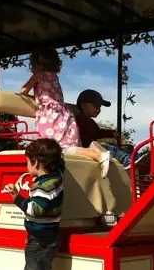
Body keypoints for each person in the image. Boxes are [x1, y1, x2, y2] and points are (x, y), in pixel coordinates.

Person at [5, 138, 80, 270]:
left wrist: (16, 197)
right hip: (41, 238)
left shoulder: (45, 185)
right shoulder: (56, 176)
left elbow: (35, 210)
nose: (26, 166)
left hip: (41, 240)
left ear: (37, 163)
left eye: (27, 162)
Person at [20, 48, 110, 178]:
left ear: (38, 64)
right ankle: (93, 150)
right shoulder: (54, 76)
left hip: (50, 117)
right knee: (67, 145)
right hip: (63, 114)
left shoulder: (38, 76)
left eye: (32, 66)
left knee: (57, 149)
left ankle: (99, 155)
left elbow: (23, 91)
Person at [75, 89, 140, 169]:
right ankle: (126, 159)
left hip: (90, 147)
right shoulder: (78, 120)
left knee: (113, 146)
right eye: (95, 106)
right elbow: (93, 134)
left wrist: (112, 133)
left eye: (99, 107)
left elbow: (98, 132)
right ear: (83, 106)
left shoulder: (90, 121)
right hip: (84, 149)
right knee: (104, 146)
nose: (98, 109)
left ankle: (131, 156)